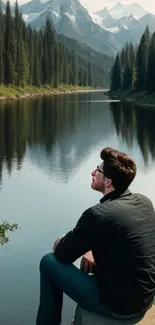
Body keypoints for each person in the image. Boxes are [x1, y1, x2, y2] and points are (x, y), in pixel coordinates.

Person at [36, 147, 155, 325]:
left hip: (118, 308)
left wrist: (62, 240)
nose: (93, 172)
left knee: (48, 263)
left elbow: (62, 253)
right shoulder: (144, 202)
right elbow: (122, 239)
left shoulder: (98, 214)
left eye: (97, 170)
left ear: (108, 181)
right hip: (144, 301)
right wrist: (91, 250)